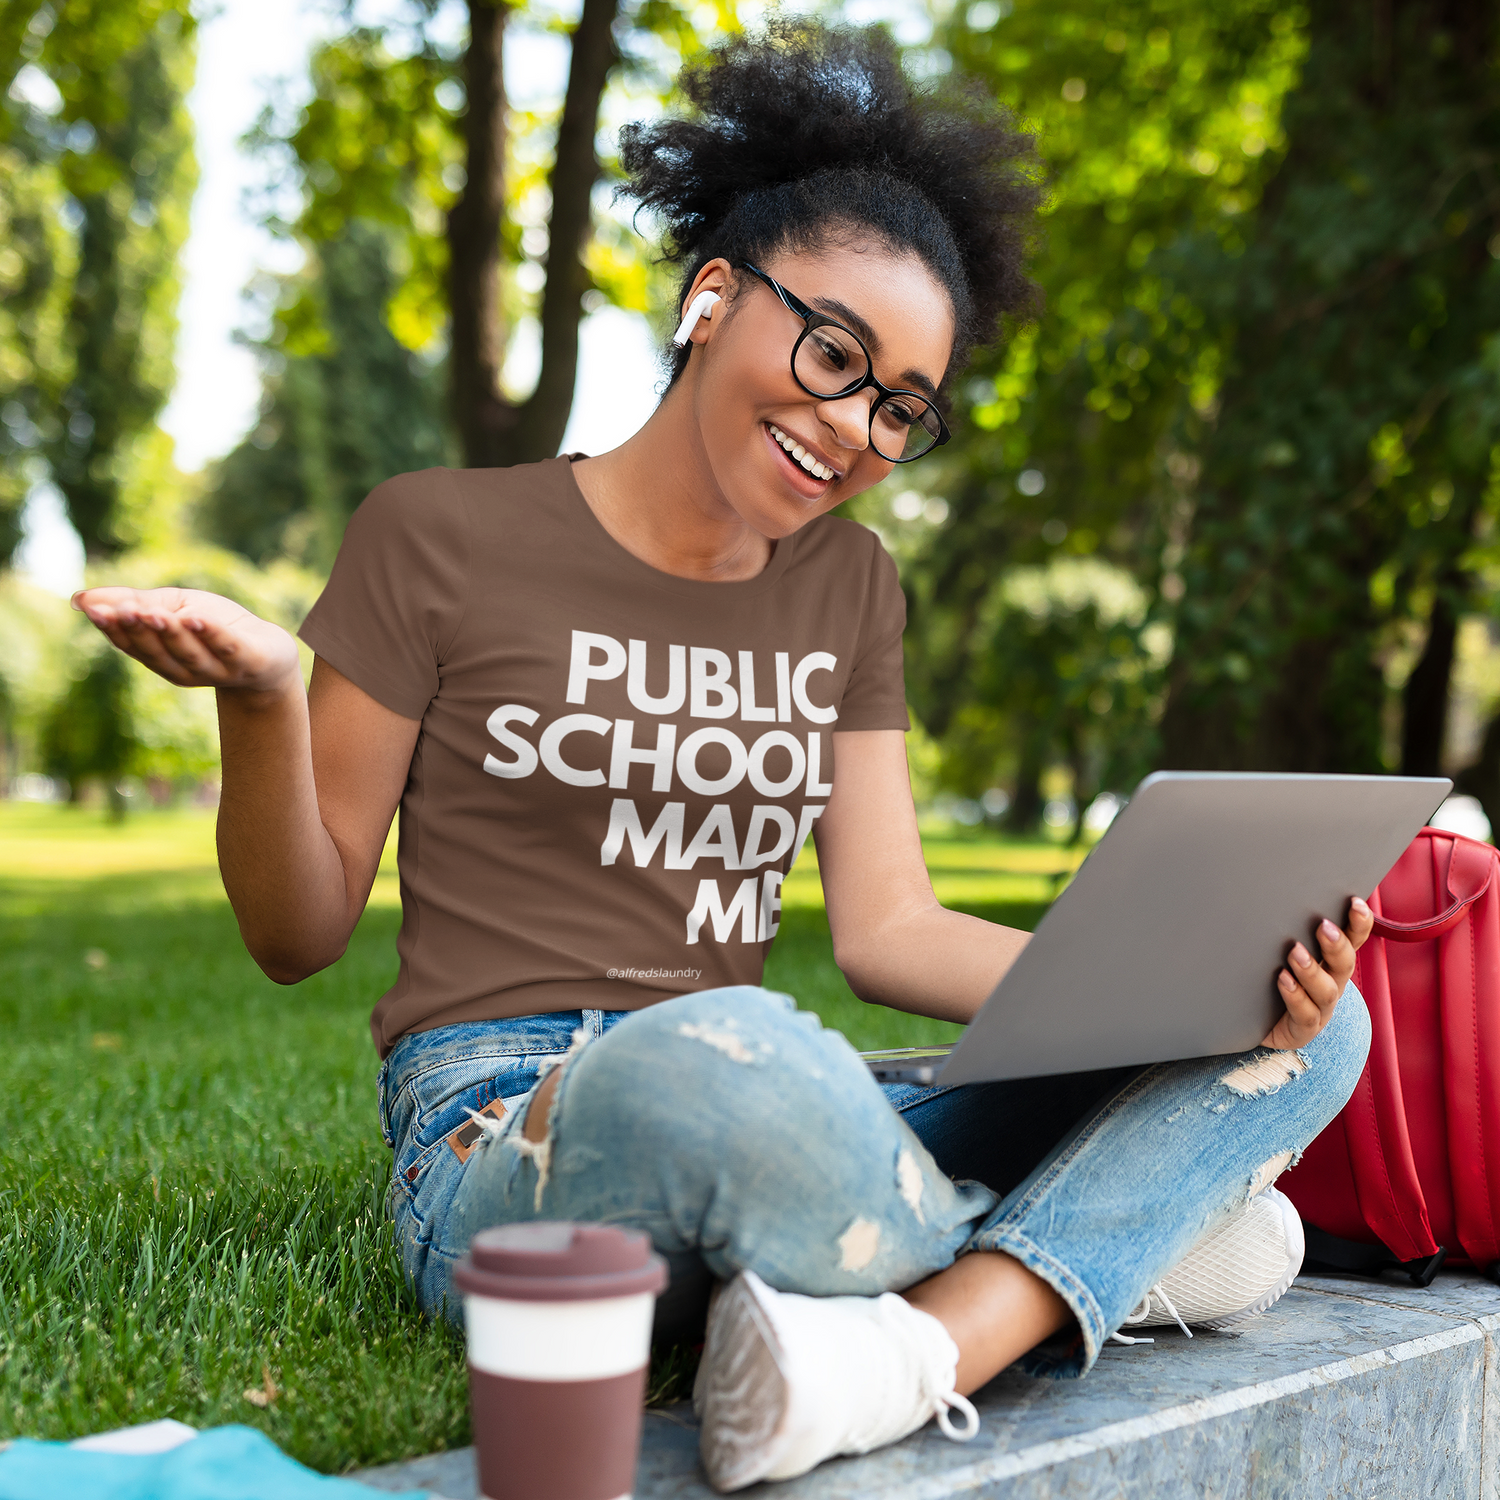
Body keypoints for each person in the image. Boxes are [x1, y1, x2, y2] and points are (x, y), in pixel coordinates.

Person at [73, 25, 1373, 1493]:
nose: (852, 426)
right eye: (833, 354)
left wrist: (1177, 998)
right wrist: (259, 701)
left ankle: (909, 1339)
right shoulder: (432, 534)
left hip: (783, 1093)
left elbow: (889, 933)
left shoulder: (851, 591)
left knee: (1313, 1031)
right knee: (730, 1061)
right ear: (711, 298)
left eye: (902, 407)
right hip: (521, 1138)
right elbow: (297, 934)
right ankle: (1068, 1255)